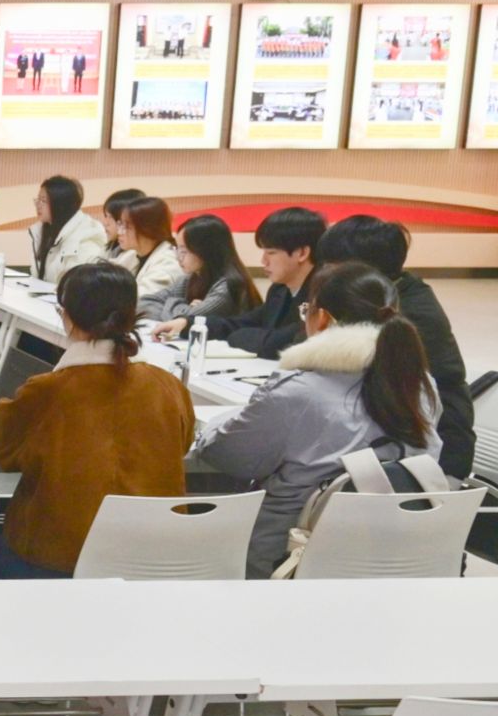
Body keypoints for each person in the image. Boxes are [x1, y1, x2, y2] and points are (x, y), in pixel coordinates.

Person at [194, 264, 443, 577]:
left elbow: (230, 456)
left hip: (287, 555)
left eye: (305, 310)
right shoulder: (419, 385)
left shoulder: (298, 391)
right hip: (395, 552)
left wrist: (212, 427)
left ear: (322, 318)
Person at [0, 261, 195, 577]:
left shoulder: (48, 390)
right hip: (153, 558)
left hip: (58, 558)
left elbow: (5, 449)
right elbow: (184, 443)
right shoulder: (167, 386)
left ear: (65, 316)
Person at [314, 214, 476, 479]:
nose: (324, 273)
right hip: (396, 446)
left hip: (430, 461)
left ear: (362, 269)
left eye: (331, 265)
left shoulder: (401, 313)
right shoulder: (388, 295)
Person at [155, 205, 324, 357]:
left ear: (302, 253)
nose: (263, 261)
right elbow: (238, 323)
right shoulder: (279, 290)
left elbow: (273, 344)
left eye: (271, 253)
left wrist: (240, 335)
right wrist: (187, 323)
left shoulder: (324, 295)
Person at [140, 214, 262, 323]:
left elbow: (184, 322)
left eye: (184, 251)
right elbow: (144, 303)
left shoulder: (228, 286)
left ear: (205, 251)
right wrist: (185, 306)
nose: (178, 257)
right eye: (177, 248)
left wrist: (173, 303)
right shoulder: (190, 278)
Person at [27, 175, 110, 283]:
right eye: (38, 199)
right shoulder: (43, 231)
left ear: (60, 204)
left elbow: (82, 284)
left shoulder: (85, 238)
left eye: (43, 200)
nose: (38, 205)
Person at [118, 196, 185, 303]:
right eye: (120, 224)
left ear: (147, 229)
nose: (120, 232)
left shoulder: (168, 263)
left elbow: (141, 300)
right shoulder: (134, 253)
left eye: (127, 227)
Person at [99, 188, 147, 266]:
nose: (105, 223)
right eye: (105, 216)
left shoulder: (134, 253)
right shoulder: (112, 245)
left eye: (110, 217)